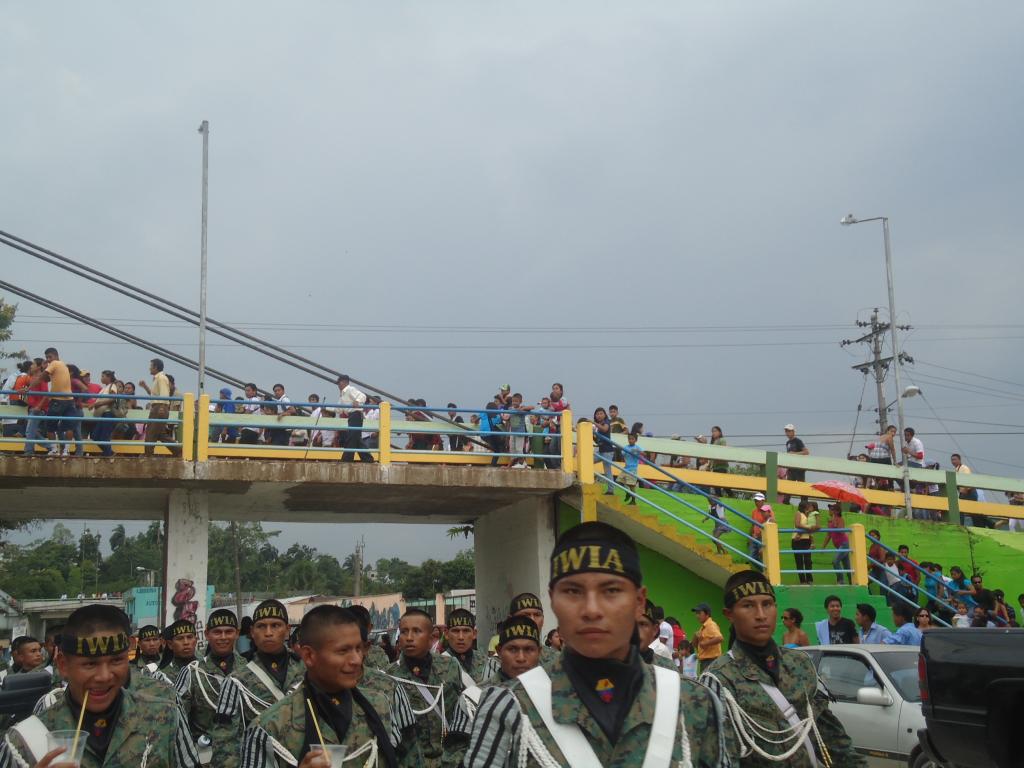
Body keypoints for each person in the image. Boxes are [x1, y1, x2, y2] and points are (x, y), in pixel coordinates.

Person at [465, 521, 732, 767]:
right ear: (553, 600)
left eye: (611, 590)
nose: (591, 610)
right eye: (573, 591)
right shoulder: (510, 708)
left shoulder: (693, 704)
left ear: (639, 602)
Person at [0, 604, 200, 767]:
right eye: (90, 664)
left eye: (116, 661)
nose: (104, 676)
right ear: (63, 665)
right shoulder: (25, 741)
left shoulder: (165, 717)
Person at [700, 570, 865, 767]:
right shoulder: (718, 679)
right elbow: (720, 758)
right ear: (729, 614)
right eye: (748, 606)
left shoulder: (801, 664)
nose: (761, 615)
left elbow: (833, 740)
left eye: (767, 604)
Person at [240, 606, 411, 768]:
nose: (356, 660)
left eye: (358, 648)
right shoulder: (270, 728)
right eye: (343, 651)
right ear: (309, 656)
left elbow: (407, 759)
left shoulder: (379, 706)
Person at [212, 600, 306, 768]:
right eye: (261, 626)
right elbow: (224, 742)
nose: (268, 633)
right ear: (252, 632)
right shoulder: (236, 681)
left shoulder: (308, 671)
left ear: (287, 630)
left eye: (275, 625)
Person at [386, 608, 470, 767]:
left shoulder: (450, 666)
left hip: (450, 760)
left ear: (431, 638)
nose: (409, 638)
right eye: (404, 632)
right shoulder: (388, 677)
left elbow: (462, 714)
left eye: (417, 631)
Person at [176, 609, 247, 756]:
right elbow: (178, 719)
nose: (223, 637)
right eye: (217, 632)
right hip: (206, 756)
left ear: (237, 633)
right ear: (207, 634)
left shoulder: (249, 669)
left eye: (228, 632)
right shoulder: (193, 673)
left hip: (244, 755)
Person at [440, 608, 497, 685]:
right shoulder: (437, 665)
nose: (461, 637)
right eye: (455, 631)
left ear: (474, 634)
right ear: (446, 634)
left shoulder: (488, 663)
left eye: (466, 631)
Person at [137, 357, 181, 457]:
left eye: (151, 366)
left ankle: (148, 455)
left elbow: (164, 394)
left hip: (159, 408)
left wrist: (162, 407)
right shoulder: (159, 378)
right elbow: (155, 395)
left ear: (155, 367)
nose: (149, 368)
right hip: (158, 407)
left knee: (151, 432)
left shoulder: (161, 378)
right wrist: (145, 386)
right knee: (160, 434)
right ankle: (178, 450)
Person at [508, 593, 559, 665]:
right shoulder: (499, 660)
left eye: (537, 615)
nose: (532, 620)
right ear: (510, 620)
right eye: (525, 615)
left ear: (543, 620)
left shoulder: (556, 659)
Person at [336, 375, 374, 463]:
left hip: (356, 414)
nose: (338, 385)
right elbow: (338, 409)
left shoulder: (350, 389)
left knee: (352, 436)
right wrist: (326, 408)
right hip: (351, 415)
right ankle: (368, 459)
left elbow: (362, 396)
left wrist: (357, 401)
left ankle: (347, 459)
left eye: (339, 383)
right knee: (355, 438)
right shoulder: (342, 394)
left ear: (345, 382)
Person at [637, 600, 676, 670]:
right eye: (631, 623)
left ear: (654, 630)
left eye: (642, 624)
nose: (635, 630)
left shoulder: (661, 653)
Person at [792, 501, 820, 584]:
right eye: (808, 505)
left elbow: (814, 528)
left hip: (806, 539)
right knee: (799, 561)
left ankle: (809, 580)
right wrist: (808, 527)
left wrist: (812, 541)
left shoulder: (809, 515)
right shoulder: (798, 513)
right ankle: (802, 581)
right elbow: (797, 524)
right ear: (804, 506)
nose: (809, 507)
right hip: (797, 540)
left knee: (808, 561)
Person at [692, 601, 723, 674]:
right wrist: (696, 638)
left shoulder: (710, 625)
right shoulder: (703, 627)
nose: (697, 616)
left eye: (699, 613)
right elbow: (697, 646)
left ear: (707, 614)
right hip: (706, 662)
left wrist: (704, 643)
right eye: (696, 613)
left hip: (710, 661)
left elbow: (720, 638)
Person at [822, 505, 850, 584]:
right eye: (830, 509)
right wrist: (823, 546)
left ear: (837, 512)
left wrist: (835, 523)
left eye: (832, 510)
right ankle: (852, 581)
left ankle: (840, 581)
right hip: (839, 546)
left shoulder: (840, 519)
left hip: (844, 544)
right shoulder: (830, 522)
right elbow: (828, 535)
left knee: (835, 561)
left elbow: (841, 531)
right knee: (847, 566)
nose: (830, 511)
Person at [781, 424, 809, 503]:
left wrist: (794, 454)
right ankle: (786, 502)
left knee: (801, 485)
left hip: (799, 468)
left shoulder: (798, 441)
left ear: (793, 432)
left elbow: (806, 452)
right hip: (791, 468)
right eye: (786, 431)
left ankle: (804, 502)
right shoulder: (787, 443)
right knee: (789, 485)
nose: (787, 433)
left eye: (789, 431)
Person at [592, 408, 615, 494]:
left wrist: (594, 423)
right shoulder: (598, 427)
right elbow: (597, 440)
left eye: (601, 413)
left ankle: (610, 490)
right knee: (587, 462)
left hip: (608, 451)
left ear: (605, 415)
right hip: (601, 451)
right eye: (597, 414)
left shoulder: (606, 422)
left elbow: (605, 429)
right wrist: (593, 434)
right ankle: (590, 480)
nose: (599, 415)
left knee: (607, 471)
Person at [748, 492, 774, 567]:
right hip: (755, 537)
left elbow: (771, 522)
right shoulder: (754, 511)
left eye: (758, 501)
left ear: (763, 501)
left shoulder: (768, 510)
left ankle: (765, 571)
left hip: (762, 537)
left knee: (763, 557)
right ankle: (764, 570)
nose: (756, 503)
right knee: (752, 557)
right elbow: (753, 525)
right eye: (755, 501)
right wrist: (750, 537)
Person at [621, 430, 642, 504]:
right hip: (626, 468)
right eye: (629, 439)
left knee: (631, 485)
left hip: (632, 469)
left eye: (632, 439)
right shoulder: (626, 447)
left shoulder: (637, 447)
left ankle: (633, 500)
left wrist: (637, 452)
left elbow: (644, 453)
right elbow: (623, 454)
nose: (630, 440)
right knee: (620, 482)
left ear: (636, 440)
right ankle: (628, 493)